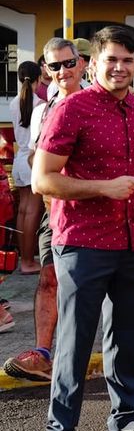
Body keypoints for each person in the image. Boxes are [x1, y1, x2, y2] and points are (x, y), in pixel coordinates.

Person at [33, 26, 134, 431]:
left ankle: (127, 419)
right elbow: (43, 180)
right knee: (75, 341)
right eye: (111, 59)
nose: (119, 68)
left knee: (128, 336)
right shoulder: (71, 109)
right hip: (81, 241)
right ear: (92, 63)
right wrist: (103, 188)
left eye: (128, 61)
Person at [2, 39, 87, 383]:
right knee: (49, 277)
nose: (63, 71)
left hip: (93, 210)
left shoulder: (97, 102)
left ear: (81, 64)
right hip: (57, 208)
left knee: (88, 287)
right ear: (45, 71)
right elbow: (35, 157)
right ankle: (43, 353)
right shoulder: (42, 110)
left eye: (69, 63)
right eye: (55, 66)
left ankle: (82, 352)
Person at [11, 61, 43, 274]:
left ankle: (25, 259)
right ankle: (28, 262)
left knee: (23, 210)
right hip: (32, 159)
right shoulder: (40, 103)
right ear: (38, 79)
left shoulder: (14, 102)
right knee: (32, 211)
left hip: (18, 160)